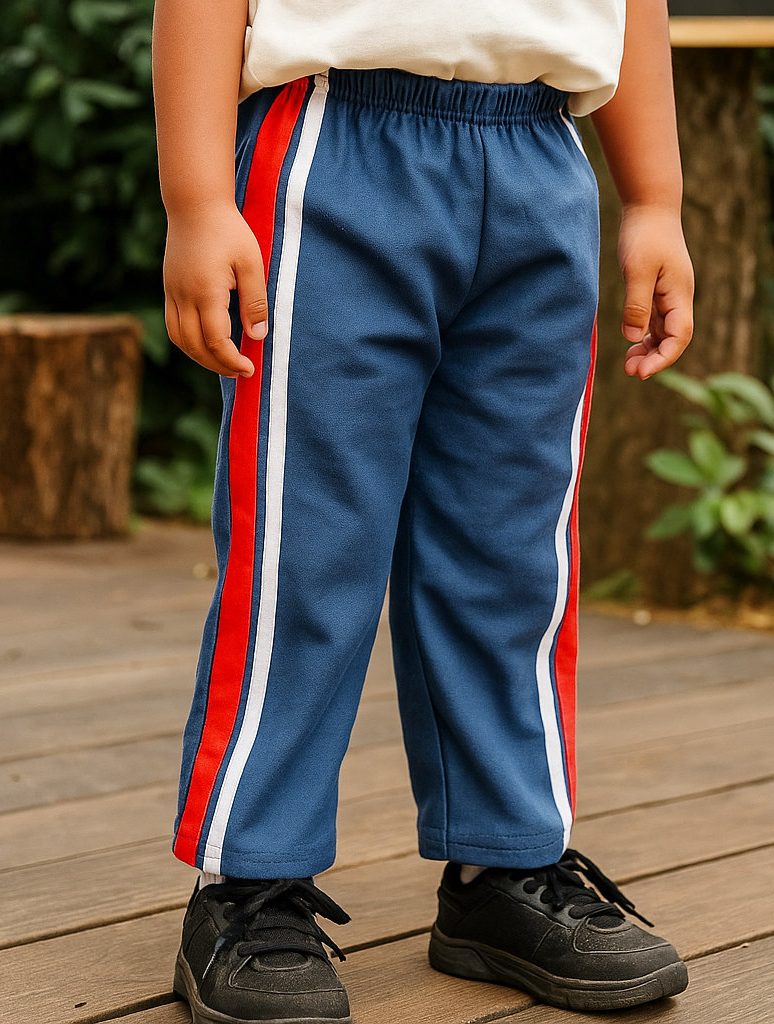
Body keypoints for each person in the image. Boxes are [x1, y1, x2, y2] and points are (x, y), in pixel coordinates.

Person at [152, 1, 695, 1021]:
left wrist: (654, 198)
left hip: (541, 152)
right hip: (335, 141)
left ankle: (504, 863)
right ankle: (248, 882)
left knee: (512, 549)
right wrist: (194, 196)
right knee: (306, 544)